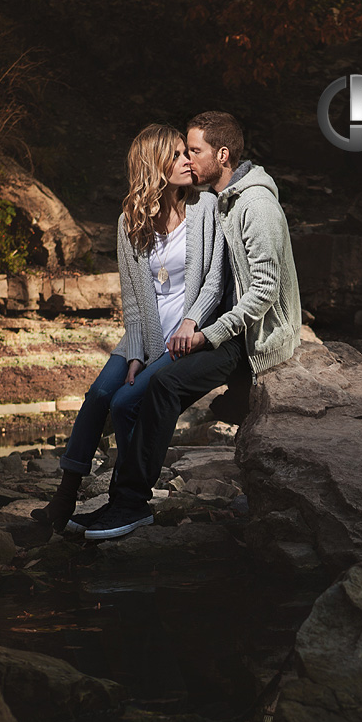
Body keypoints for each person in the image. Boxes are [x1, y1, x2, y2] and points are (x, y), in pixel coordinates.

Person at [84, 110, 301, 540]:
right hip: (229, 329)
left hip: (254, 338)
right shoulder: (222, 201)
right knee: (141, 394)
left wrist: (205, 334)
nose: (187, 156)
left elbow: (264, 293)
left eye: (194, 150)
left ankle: (129, 505)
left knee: (163, 388)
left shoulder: (255, 206)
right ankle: (122, 502)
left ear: (221, 155)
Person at [31, 122, 230, 531]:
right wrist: (137, 353)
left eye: (186, 152)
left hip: (185, 336)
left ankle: (125, 496)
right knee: (100, 392)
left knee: (125, 402)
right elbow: (135, 301)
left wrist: (190, 325)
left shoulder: (205, 208)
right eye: (175, 155)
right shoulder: (130, 222)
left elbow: (214, 281)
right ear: (153, 165)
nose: (187, 161)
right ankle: (65, 496)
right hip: (145, 335)